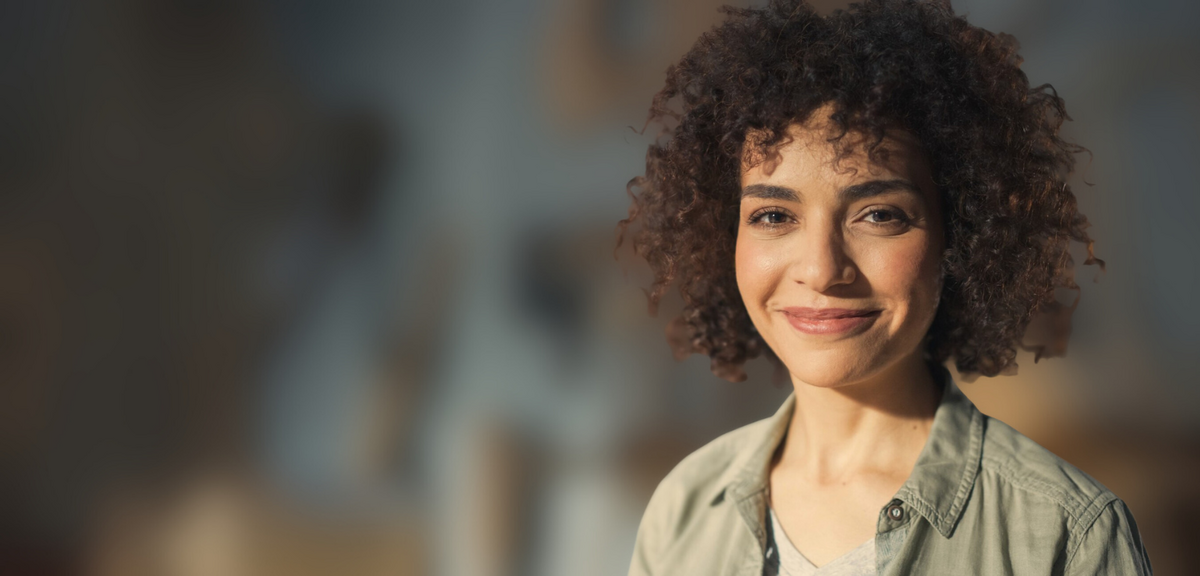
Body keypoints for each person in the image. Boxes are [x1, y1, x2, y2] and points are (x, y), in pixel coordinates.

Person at [618, 1, 1152, 574]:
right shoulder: (685, 510)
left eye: (878, 215)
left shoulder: (1067, 535)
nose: (822, 271)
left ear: (963, 235)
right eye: (774, 216)